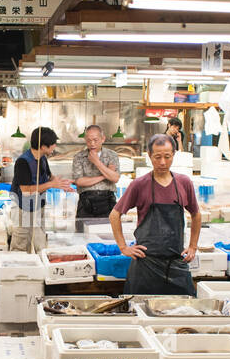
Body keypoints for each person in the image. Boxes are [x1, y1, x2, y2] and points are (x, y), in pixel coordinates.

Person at [109, 134, 201, 296]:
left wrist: (193, 246)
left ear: (174, 155)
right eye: (157, 157)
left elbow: (196, 214)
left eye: (167, 156)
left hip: (176, 264)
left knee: (183, 311)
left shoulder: (184, 182)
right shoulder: (139, 184)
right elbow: (114, 214)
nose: (163, 162)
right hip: (146, 264)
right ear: (149, 156)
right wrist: (123, 247)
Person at [10, 126, 73, 251]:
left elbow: (48, 176)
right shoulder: (23, 162)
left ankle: (38, 266)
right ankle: (18, 268)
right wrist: (51, 185)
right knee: (21, 242)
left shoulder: (43, 158)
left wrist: (59, 182)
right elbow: (26, 190)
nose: (55, 146)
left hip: (39, 205)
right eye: (53, 144)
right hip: (24, 207)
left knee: (40, 242)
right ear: (43, 146)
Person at [71, 124, 121, 219]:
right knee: (82, 232)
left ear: (103, 139)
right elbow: (79, 181)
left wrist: (97, 162)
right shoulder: (79, 157)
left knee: (108, 232)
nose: (92, 143)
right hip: (85, 201)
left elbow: (115, 178)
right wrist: (105, 175)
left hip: (107, 200)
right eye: (89, 140)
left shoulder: (112, 155)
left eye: (95, 140)